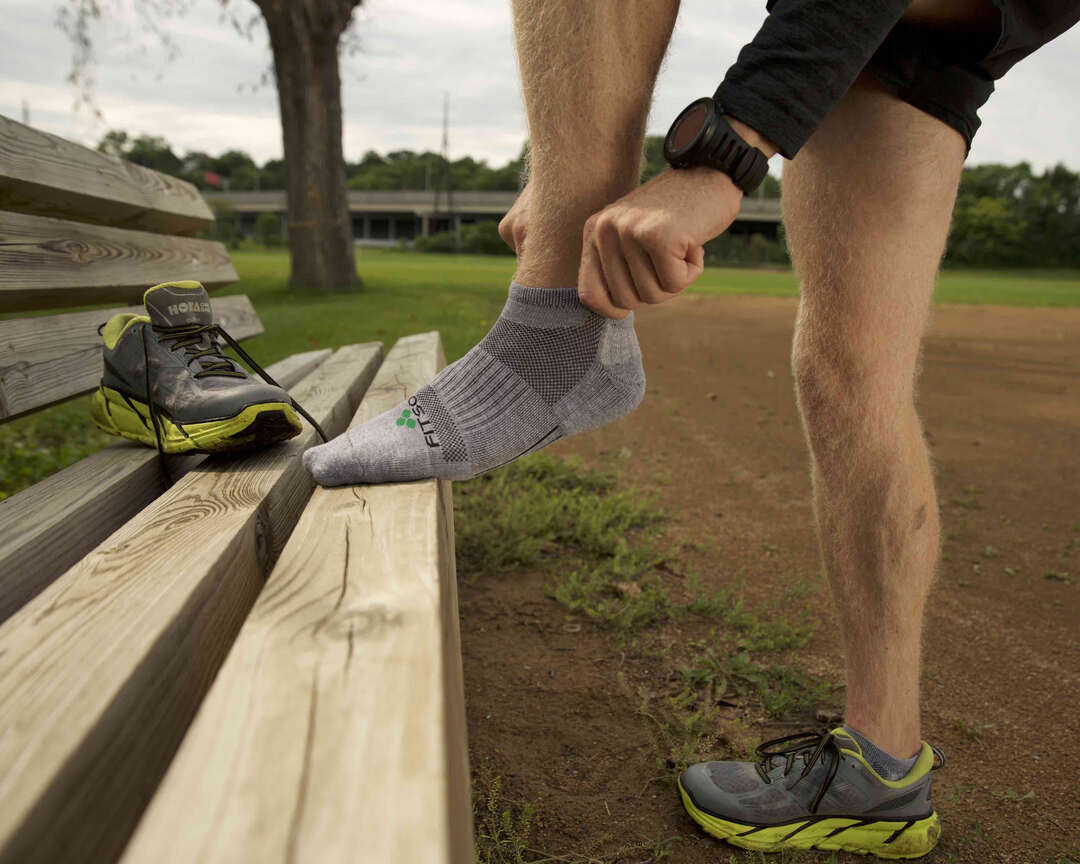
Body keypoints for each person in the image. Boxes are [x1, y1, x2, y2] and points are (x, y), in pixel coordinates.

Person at [304, 0, 1080, 856]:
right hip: (921, 32)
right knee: (853, 379)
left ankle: (552, 337)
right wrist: (567, 175)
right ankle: (883, 775)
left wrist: (725, 151)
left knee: (859, 375)